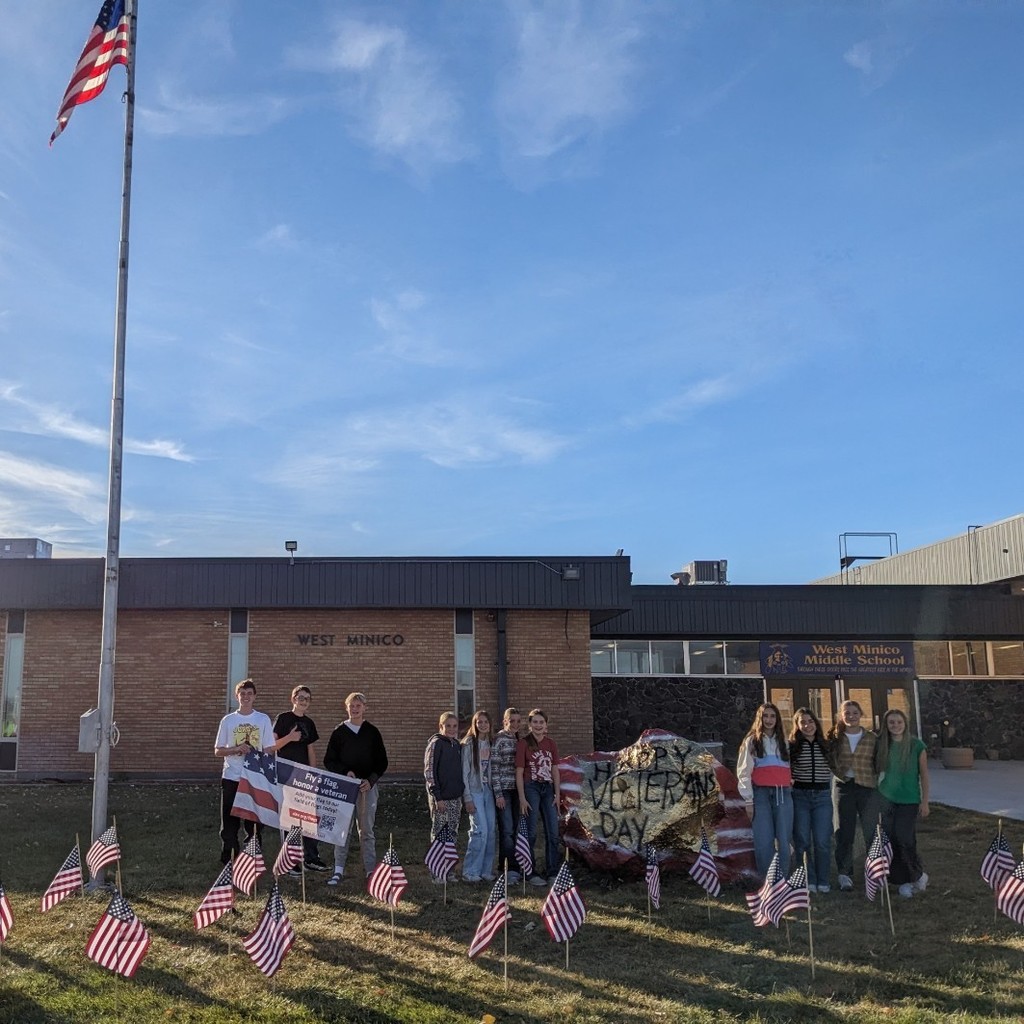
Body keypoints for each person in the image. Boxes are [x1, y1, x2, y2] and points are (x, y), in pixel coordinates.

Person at [322, 692, 389, 887]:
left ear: (364, 708)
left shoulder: (372, 732)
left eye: (358, 705)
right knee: (342, 830)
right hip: (344, 788)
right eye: (352, 705)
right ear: (347, 708)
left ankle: (370, 870)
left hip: (367, 788)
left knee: (366, 831)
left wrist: (371, 780)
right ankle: (338, 870)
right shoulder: (339, 732)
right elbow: (329, 760)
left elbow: (382, 761)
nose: (355, 708)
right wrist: (345, 772)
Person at [214, 679, 275, 865]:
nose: (246, 697)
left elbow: (269, 748)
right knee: (229, 820)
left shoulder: (262, 719)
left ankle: (252, 858)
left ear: (255, 696)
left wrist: (259, 756)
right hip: (232, 776)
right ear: (237, 696)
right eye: (242, 694)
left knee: (254, 820)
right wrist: (235, 749)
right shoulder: (228, 720)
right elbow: (218, 750)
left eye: (249, 693)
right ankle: (229, 856)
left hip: (254, 778)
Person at [273, 685, 329, 872]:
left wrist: (313, 773)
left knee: (308, 818)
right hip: (286, 774)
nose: (303, 701)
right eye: (300, 697)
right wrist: (290, 737)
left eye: (307, 698)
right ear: (293, 699)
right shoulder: (283, 718)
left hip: (304, 776)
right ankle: (290, 861)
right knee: (289, 819)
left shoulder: (309, 723)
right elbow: (272, 746)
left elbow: (310, 749)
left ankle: (311, 858)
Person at [736, 702, 793, 879]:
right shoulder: (752, 741)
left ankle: (782, 880)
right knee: (764, 839)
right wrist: (748, 800)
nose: (769, 720)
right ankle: (767, 882)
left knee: (784, 839)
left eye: (772, 716)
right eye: (765, 716)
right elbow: (744, 772)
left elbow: (790, 768)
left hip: (782, 793)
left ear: (777, 719)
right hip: (760, 794)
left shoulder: (784, 742)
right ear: (759, 719)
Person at [828, 699, 880, 892]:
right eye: (847, 713)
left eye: (855, 713)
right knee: (844, 831)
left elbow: (878, 760)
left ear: (861, 714)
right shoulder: (835, 737)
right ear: (841, 716)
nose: (851, 716)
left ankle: (874, 872)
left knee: (871, 831)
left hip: (867, 786)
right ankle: (845, 874)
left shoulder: (872, 738)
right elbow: (830, 759)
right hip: (844, 786)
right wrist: (839, 774)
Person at [877, 709, 930, 898]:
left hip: (909, 800)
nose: (895, 725)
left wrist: (925, 801)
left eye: (899, 722)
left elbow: (924, 775)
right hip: (886, 799)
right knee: (890, 840)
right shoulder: (882, 744)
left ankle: (916, 875)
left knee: (905, 838)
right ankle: (900, 880)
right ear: (886, 725)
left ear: (905, 723)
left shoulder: (916, 745)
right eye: (891, 722)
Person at [789, 707, 833, 892]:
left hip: (822, 797)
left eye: (810, 721)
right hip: (800, 796)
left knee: (822, 841)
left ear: (816, 723)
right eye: (803, 722)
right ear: (797, 726)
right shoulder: (792, 747)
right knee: (802, 841)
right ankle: (808, 878)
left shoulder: (826, 745)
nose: (807, 725)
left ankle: (823, 880)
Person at [515, 708, 561, 886]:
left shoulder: (551, 744)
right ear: (530, 724)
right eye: (535, 722)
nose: (538, 725)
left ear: (546, 725)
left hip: (548, 788)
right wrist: (522, 798)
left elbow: (555, 769)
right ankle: (530, 872)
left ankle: (552, 872)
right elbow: (519, 772)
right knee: (531, 832)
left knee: (553, 832)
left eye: (541, 722)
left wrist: (557, 793)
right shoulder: (524, 743)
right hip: (531, 787)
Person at [424, 712, 464, 883]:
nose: (451, 729)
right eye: (448, 726)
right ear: (441, 726)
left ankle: (449, 870)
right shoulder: (436, 744)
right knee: (439, 833)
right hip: (441, 798)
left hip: (455, 798)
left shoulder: (457, 745)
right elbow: (429, 772)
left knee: (452, 834)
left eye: (454, 726)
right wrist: (437, 797)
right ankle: (436, 871)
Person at [461, 710, 496, 883]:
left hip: (489, 791)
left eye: (485, 722)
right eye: (479, 722)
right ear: (474, 724)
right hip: (475, 791)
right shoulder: (469, 743)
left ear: (490, 724)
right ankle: (470, 871)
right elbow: (464, 773)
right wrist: (467, 797)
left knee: (491, 831)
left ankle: (485, 870)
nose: (482, 725)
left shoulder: (491, 743)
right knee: (480, 830)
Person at [491, 707, 523, 883]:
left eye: (518, 721)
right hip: (504, 790)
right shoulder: (499, 739)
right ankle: (506, 868)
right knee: (507, 830)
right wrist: (498, 794)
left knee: (515, 829)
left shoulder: (518, 739)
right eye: (512, 721)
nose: (515, 724)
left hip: (517, 790)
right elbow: (494, 768)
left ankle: (515, 866)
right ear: (505, 721)